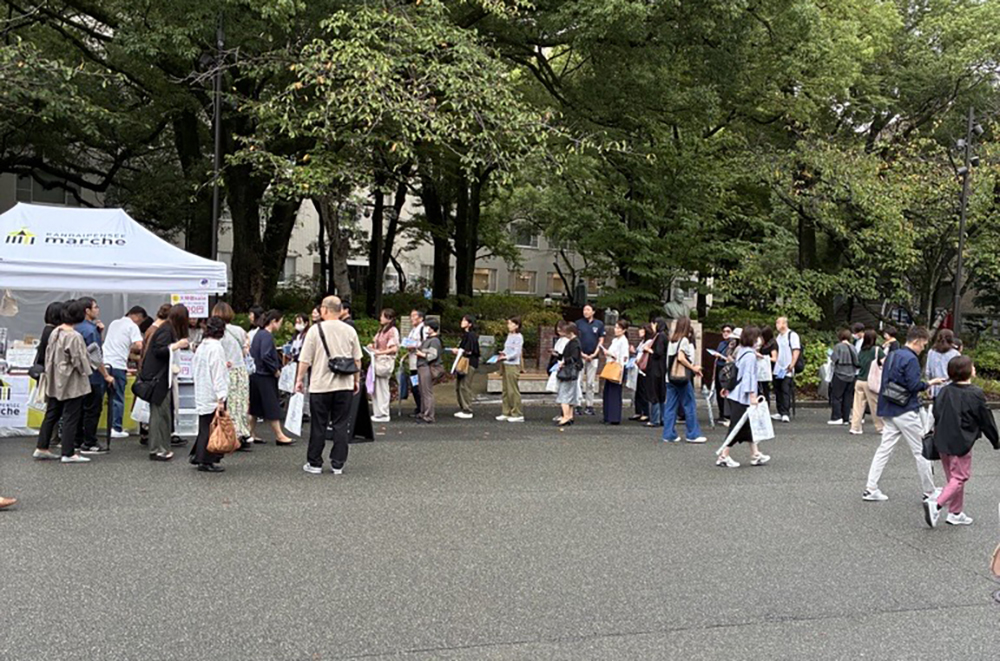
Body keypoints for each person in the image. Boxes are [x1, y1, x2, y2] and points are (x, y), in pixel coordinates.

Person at [862, 326, 944, 502]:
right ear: (916, 341)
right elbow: (914, 385)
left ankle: (871, 487)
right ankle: (929, 491)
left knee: (884, 449)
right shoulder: (911, 359)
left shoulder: (893, 354)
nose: (923, 348)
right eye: (923, 344)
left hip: (889, 407)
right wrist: (930, 383)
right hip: (905, 409)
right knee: (921, 451)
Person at [923, 356, 1000, 527]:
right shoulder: (975, 393)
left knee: (953, 478)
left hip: (942, 439)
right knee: (960, 476)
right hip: (961, 441)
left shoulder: (944, 391)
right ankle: (936, 504)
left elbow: (936, 412)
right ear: (968, 371)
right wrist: (995, 440)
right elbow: (985, 419)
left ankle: (955, 512)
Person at [296, 296, 362, 475]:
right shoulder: (349, 330)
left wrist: (299, 380)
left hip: (320, 385)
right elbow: (357, 359)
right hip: (344, 385)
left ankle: (315, 462)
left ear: (324, 310)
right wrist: (356, 380)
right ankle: (338, 463)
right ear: (341, 310)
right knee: (341, 424)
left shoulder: (315, 330)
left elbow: (305, 359)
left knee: (319, 424)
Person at [33, 299, 94, 463]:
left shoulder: (56, 331)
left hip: (54, 377)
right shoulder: (74, 336)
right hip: (70, 381)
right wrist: (88, 369)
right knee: (70, 415)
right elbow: (80, 361)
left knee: (52, 413)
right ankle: (68, 452)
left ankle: (42, 447)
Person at [141, 304, 191, 461]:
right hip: (158, 379)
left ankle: (161, 447)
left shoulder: (165, 328)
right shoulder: (167, 330)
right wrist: (176, 346)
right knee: (159, 414)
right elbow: (159, 350)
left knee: (161, 413)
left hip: (158, 377)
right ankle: (157, 449)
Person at [717, 326, 770, 467]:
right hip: (742, 396)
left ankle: (755, 454)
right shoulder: (750, 356)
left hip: (736, 393)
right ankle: (724, 455)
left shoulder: (741, 351)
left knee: (748, 426)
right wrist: (753, 396)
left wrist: (727, 388)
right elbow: (749, 377)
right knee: (737, 426)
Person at [74, 297, 114, 454]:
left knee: (79, 410)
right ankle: (89, 442)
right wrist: (106, 375)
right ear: (87, 311)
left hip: (79, 376)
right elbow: (95, 357)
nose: (98, 310)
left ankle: (78, 440)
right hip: (93, 376)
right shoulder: (90, 330)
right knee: (92, 410)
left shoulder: (77, 328)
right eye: (95, 307)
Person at [249, 309, 293, 445]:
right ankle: (279, 435)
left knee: (255, 408)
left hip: (255, 374)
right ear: (273, 322)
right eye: (280, 322)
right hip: (265, 375)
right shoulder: (267, 336)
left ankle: (248, 433)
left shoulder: (258, 334)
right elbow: (266, 355)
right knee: (272, 406)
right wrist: (275, 370)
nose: (280, 326)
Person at [190, 317, 229, 473]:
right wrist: (221, 396)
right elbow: (218, 373)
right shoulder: (216, 348)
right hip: (212, 391)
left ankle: (198, 455)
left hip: (202, 388)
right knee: (212, 427)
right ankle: (206, 459)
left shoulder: (202, 347)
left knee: (204, 425)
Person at [213, 302, 253, 450]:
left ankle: (230, 436)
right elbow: (245, 351)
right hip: (240, 371)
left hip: (226, 371)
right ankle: (243, 434)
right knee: (240, 404)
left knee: (227, 404)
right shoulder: (239, 331)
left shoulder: (218, 332)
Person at [103, 306, 146, 438]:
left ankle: (106, 427)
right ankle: (116, 428)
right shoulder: (132, 326)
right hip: (118, 365)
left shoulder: (114, 323)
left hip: (105, 363)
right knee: (118, 396)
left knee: (105, 397)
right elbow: (139, 345)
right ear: (137, 316)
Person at [662, 316, 707, 443]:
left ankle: (668, 434)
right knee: (689, 405)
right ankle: (693, 434)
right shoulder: (684, 341)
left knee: (670, 406)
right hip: (682, 378)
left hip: (670, 377)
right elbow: (681, 358)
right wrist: (693, 367)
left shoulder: (672, 340)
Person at [137, 303, 171, 446]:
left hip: (147, 372)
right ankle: (155, 443)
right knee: (157, 410)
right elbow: (155, 352)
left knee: (151, 408)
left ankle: (150, 437)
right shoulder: (160, 330)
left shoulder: (152, 329)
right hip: (154, 375)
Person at [850, 329, 884, 435]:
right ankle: (881, 427)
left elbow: (858, 363)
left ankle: (855, 427)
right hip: (871, 381)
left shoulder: (862, 351)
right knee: (874, 406)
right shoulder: (877, 350)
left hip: (859, 380)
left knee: (858, 406)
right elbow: (885, 363)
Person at [369, 308, 400, 423]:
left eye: (382, 316)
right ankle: (378, 412)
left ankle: (383, 413)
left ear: (389, 318)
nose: (380, 318)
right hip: (377, 360)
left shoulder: (392, 331)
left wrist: (379, 352)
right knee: (377, 387)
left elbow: (394, 348)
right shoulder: (382, 330)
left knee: (382, 387)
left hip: (384, 361)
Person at [575, 304, 605, 416]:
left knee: (591, 382)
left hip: (594, 356)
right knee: (579, 381)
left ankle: (589, 405)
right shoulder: (578, 323)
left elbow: (601, 340)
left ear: (593, 312)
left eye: (588, 309)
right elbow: (576, 340)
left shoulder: (599, 324)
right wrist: (582, 354)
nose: (585, 312)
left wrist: (595, 353)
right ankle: (578, 404)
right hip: (581, 356)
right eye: (584, 309)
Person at [552, 321, 582, 427]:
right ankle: (569, 415)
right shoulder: (575, 342)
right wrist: (559, 355)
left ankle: (565, 416)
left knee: (564, 394)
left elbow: (573, 357)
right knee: (571, 394)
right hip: (574, 371)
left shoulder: (573, 343)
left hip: (569, 370)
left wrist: (563, 362)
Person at [772, 316, 801, 423]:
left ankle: (785, 412)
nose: (777, 325)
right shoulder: (778, 336)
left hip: (787, 368)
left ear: (784, 324)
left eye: (778, 323)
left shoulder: (792, 335)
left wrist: (792, 364)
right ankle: (779, 411)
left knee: (785, 389)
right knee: (778, 389)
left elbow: (796, 350)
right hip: (777, 368)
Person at [496, 316, 525, 423]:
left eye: (511, 324)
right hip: (505, 363)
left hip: (513, 364)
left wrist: (507, 356)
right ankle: (506, 411)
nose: (508, 326)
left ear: (517, 325)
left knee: (513, 389)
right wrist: (502, 353)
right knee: (505, 389)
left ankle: (517, 413)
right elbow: (507, 349)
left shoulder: (519, 337)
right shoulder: (509, 335)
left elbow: (517, 352)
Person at [601, 320, 630, 425]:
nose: (616, 330)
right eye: (616, 327)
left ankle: (614, 417)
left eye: (619, 328)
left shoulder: (624, 341)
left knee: (614, 393)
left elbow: (623, 357)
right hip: (611, 365)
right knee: (608, 392)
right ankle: (608, 415)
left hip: (618, 368)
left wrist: (612, 355)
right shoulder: (615, 340)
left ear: (624, 330)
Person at [415, 318, 444, 424]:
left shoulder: (434, 340)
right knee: (422, 391)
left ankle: (429, 415)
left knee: (427, 392)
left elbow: (433, 355)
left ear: (432, 328)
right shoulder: (428, 339)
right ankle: (423, 413)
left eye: (427, 326)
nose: (425, 328)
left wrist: (420, 354)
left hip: (427, 367)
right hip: (423, 366)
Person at [452, 314, 480, 419]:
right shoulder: (467, 335)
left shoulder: (471, 335)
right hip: (465, 362)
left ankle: (467, 409)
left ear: (470, 324)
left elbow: (470, 351)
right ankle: (463, 407)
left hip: (469, 363)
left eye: (464, 320)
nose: (462, 322)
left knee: (465, 385)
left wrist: (459, 350)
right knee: (460, 385)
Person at [828, 329, 859, 426]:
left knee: (836, 396)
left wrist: (829, 354)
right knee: (848, 397)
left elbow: (834, 359)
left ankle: (837, 417)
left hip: (840, 374)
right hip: (851, 375)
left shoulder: (838, 347)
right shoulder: (853, 347)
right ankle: (846, 418)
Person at [643, 318, 668, 428]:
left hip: (655, 369)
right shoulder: (664, 335)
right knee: (660, 393)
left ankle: (655, 419)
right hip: (660, 369)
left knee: (654, 393)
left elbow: (658, 352)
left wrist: (648, 350)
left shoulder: (660, 336)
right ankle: (662, 417)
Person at [404, 309, 428, 418]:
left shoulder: (423, 329)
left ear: (421, 318)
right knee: (415, 386)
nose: (411, 318)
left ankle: (422, 409)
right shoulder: (414, 329)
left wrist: (413, 345)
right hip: (413, 362)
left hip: (420, 363)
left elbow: (425, 343)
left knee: (418, 387)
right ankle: (419, 408)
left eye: (414, 316)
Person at [925, 329, 960, 399]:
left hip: (935, 387)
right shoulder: (956, 354)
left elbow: (928, 372)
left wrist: (928, 386)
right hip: (950, 389)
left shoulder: (931, 352)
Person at [630, 324, 654, 422]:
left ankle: (645, 412)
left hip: (643, 370)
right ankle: (638, 411)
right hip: (638, 368)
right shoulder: (642, 342)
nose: (639, 332)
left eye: (642, 330)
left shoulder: (649, 341)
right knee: (638, 391)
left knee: (643, 391)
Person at [713, 324, 734, 424]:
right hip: (719, 367)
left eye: (728, 331)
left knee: (725, 389)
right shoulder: (721, 343)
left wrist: (721, 357)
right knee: (718, 389)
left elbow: (731, 359)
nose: (725, 333)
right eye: (724, 331)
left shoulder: (733, 343)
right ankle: (721, 413)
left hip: (727, 368)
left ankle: (727, 414)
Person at [757, 326, 776, 405]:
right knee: (759, 388)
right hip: (760, 368)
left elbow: (774, 358)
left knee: (765, 389)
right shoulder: (763, 344)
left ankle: (766, 406)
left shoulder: (773, 344)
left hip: (767, 368)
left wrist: (763, 357)